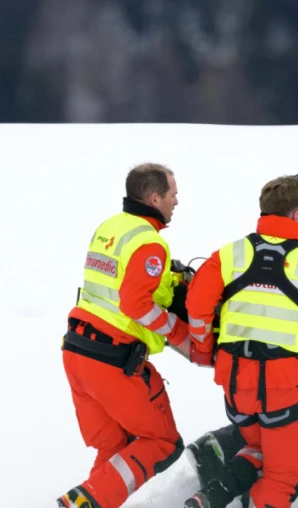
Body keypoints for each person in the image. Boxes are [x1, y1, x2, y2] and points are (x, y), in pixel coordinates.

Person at [182, 143, 298, 503]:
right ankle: (219, 456)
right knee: (286, 461)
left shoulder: (232, 251)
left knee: (259, 430)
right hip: (284, 362)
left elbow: (200, 304)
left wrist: (206, 349)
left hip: (234, 369)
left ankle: (213, 476)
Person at [57, 163, 188, 508]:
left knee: (115, 447)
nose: (177, 201)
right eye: (173, 194)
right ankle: (84, 502)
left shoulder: (109, 228)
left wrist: (171, 281)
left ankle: (84, 504)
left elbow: (116, 286)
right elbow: (135, 302)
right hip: (111, 360)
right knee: (163, 443)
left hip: (76, 351)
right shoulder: (151, 243)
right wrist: (178, 331)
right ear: (155, 197)